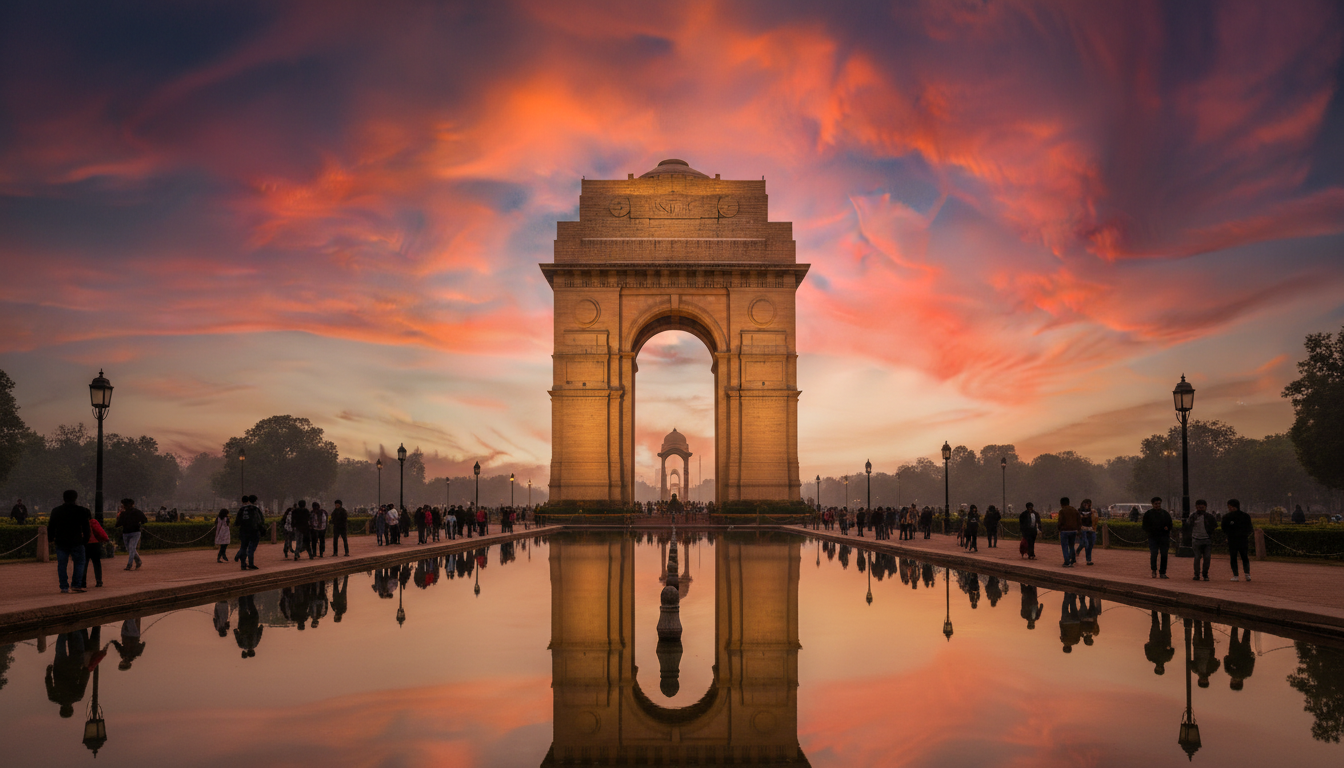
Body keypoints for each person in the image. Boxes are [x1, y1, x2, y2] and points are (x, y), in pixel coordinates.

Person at [48, 490, 91, 594]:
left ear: (64, 498)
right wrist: (85, 540)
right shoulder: (81, 510)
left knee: (62, 564)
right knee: (80, 563)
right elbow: (86, 527)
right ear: (75, 498)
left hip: (61, 541)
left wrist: (51, 539)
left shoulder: (56, 511)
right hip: (76, 540)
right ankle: (76, 584)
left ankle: (64, 586)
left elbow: (51, 527)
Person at [1221, 498, 1253, 582]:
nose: (1229, 508)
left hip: (1239, 539)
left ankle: (1243, 574)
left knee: (1241, 557)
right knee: (1237, 557)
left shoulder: (1242, 516)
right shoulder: (1228, 517)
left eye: (1230, 507)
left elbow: (1249, 528)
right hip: (1237, 540)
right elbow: (1223, 528)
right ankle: (1240, 574)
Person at [1142, 496, 1173, 579]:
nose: (1157, 505)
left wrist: (1168, 528)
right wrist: (1151, 530)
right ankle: (1154, 570)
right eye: (1156, 504)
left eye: (1159, 504)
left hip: (1164, 537)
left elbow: (1170, 524)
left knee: (1164, 555)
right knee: (1154, 553)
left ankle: (1163, 572)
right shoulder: (1148, 514)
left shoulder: (1165, 514)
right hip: (1153, 537)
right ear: (1152, 504)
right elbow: (1144, 526)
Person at [1188, 500, 1216, 581]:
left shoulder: (1209, 517)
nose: (1200, 508)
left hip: (1207, 540)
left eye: (1202, 507)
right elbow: (1188, 526)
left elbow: (1214, 526)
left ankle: (1205, 574)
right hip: (1196, 539)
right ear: (1196, 507)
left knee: (1207, 557)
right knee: (1197, 557)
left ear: (1205, 507)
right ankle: (1196, 574)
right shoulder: (1193, 516)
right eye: (1199, 507)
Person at [116, 497, 146, 571]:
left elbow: (117, 524)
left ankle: (129, 564)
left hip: (132, 533)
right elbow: (144, 520)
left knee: (131, 548)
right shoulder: (137, 512)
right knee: (130, 549)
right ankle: (138, 561)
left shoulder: (124, 514)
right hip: (130, 532)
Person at [236, 495, 263, 570]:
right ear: (255, 501)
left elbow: (237, 522)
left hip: (243, 531)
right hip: (253, 531)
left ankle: (243, 564)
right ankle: (251, 563)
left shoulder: (242, 509)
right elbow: (260, 521)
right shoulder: (255, 509)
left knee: (243, 547)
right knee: (251, 548)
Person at [1191, 620, 1220, 688]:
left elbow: (1189, 663)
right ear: (1208, 680)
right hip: (1208, 646)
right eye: (1205, 681)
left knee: (1197, 627)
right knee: (1207, 627)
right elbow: (1217, 662)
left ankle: (1197, 614)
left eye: (1202, 681)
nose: (1204, 680)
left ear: (1199, 680)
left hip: (1197, 646)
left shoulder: (1195, 670)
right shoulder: (1211, 670)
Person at [84, 513, 110, 588]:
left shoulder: (79, 522)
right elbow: (99, 531)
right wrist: (105, 539)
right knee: (97, 563)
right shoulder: (92, 522)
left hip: (84, 544)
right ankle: (99, 580)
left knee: (84, 563)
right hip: (94, 544)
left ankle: (83, 581)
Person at [1057, 497, 1080, 567]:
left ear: (1061, 504)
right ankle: (1073, 559)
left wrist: (1059, 528)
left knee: (1065, 547)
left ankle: (1067, 561)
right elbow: (1079, 520)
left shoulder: (1062, 511)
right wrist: (1078, 529)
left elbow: (1060, 521)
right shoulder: (1074, 510)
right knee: (1071, 546)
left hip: (1065, 530)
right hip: (1073, 530)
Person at [1074, 499, 1097, 565]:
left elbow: (1095, 519)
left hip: (1091, 529)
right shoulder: (1079, 511)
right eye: (1085, 503)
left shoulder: (1092, 511)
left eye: (1088, 504)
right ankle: (1078, 551)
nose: (1087, 505)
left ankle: (1088, 560)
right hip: (1082, 529)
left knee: (1090, 544)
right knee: (1084, 543)